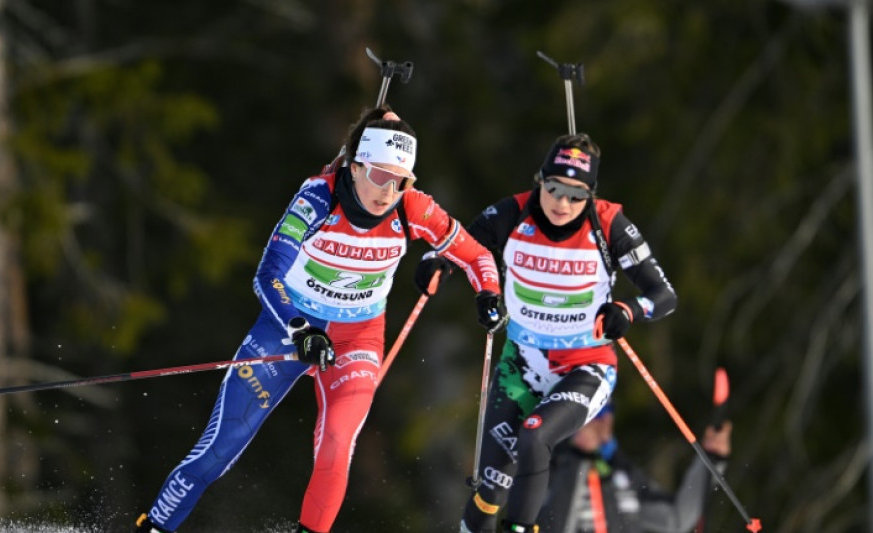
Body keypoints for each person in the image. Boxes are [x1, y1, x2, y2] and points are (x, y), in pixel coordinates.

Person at [133, 107, 507, 533]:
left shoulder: (414, 209)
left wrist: (489, 295)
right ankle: (155, 526)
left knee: (336, 445)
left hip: (357, 338)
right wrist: (299, 329)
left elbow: (475, 254)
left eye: (402, 181)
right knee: (222, 445)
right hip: (288, 328)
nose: (389, 192)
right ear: (356, 166)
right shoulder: (317, 198)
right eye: (381, 176)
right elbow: (268, 274)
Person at [415, 132, 677, 532]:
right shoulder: (512, 213)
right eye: (554, 188)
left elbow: (663, 295)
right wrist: (436, 263)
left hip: (586, 366)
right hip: (520, 365)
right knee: (490, 488)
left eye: (576, 195)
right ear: (540, 180)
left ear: (590, 195)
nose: (562, 203)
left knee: (535, 438)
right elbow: (460, 247)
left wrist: (628, 309)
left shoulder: (609, 224)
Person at [536, 403, 732, 533]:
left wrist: (711, 460)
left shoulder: (621, 473)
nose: (599, 426)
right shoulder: (545, 466)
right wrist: (579, 456)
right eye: (592, 418)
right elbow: (555, 525)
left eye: (605, 417)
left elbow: (676, 519)